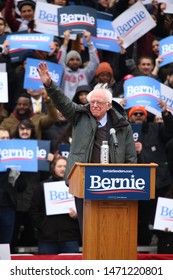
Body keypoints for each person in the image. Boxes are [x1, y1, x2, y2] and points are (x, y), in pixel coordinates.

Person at [37, 61, 137, 238]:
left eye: (99, 102)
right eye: (92, 102)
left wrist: (128, 183)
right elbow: (63, 102)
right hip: (84, 183)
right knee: (89, 233)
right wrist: (49, 85)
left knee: (112, 232)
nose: (94, 105)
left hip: (114, 185)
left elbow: (130, 158)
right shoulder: (80, 116)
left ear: (109, 105)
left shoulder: (123, 126)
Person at [30, 155, 81, 254]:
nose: (62, 169)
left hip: (69, 237)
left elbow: (84, 209)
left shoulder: (76, 186)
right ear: (53, 168)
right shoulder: (42, 186)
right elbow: (34, 210)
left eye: (65, 166)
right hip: (47, 238)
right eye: (59, 166)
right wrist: (42, 227)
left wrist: (76, 216)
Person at [11, 119, 40, 252]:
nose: (24, 131)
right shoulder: (10, 147)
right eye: (22, 129)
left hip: (33, 190)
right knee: (14, 226)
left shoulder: (39, 146)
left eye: (27, 129)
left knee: (31, 225)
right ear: (18, 130)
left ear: (32, 131)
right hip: (14, 192)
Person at [56, 29, 100, 100]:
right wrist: (66, 41)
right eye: (71, 59)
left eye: (77, 59)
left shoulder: (85, 73)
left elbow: (95, 62)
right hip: (65, 106)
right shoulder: (63, 71)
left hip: (81, 106)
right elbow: (59, 60)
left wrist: (89, 42)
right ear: (67, 62)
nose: (75, 62)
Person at [0, 128, 19, 246]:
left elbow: (22, 186)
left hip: (8, 206)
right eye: (2, 138)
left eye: (7, 138)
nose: (5, 140)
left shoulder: (16, 160)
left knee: (5, 244)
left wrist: (16, 172)